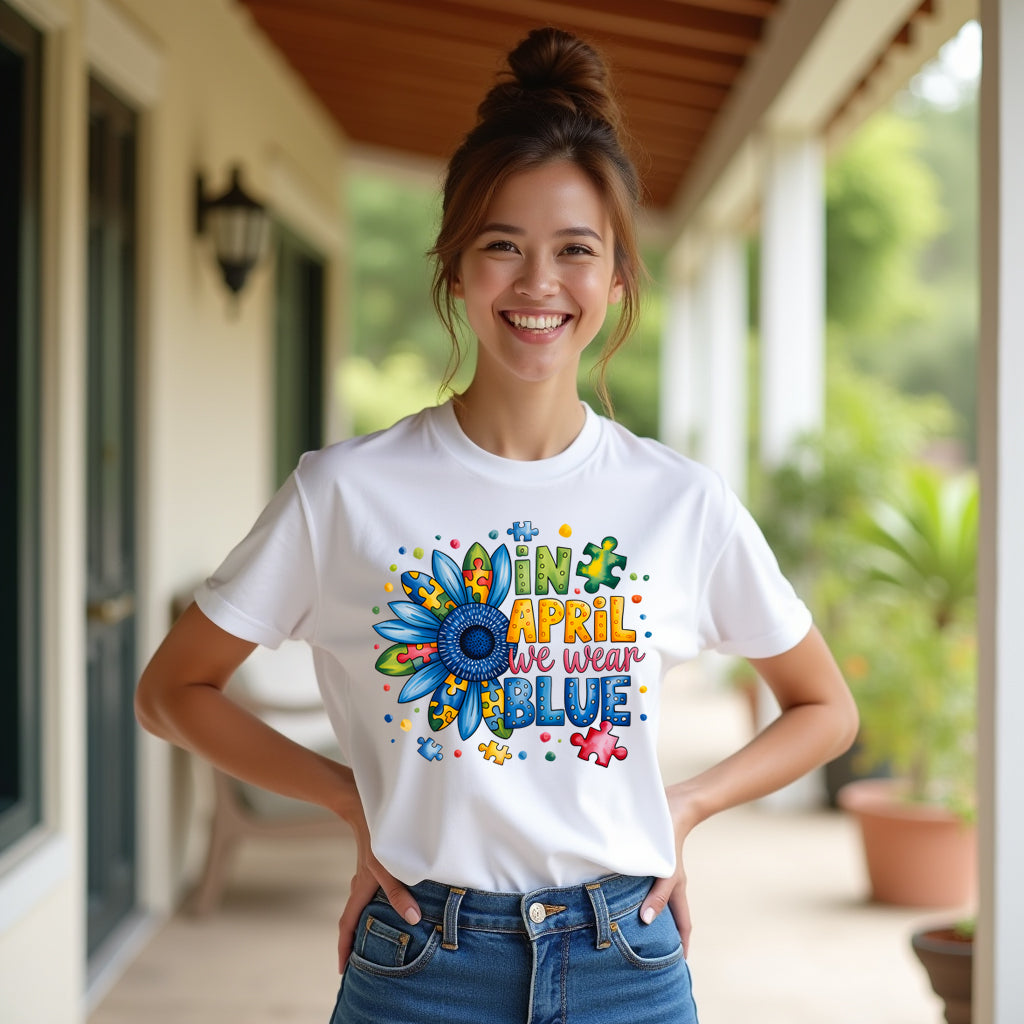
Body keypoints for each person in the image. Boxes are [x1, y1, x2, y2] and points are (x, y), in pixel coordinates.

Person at [136, 26, 858, 1024]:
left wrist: (682, 807)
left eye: (575, 251)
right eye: (501, 247)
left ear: (614, 281)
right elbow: (172, 689)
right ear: (456, 267)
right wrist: (353, 800)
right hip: (420, 958)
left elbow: (825, 708)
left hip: (625, 959)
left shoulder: (678, 500)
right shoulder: (347, 491)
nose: (537, 285)